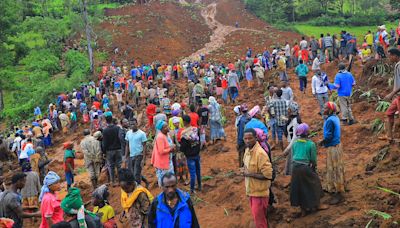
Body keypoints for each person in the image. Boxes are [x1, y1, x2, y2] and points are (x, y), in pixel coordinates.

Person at [290, 123, 327, 216]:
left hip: (295, 168)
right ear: (307, 133)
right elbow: (313, 159)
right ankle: (317, 205)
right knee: (315, 184)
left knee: (299, 188)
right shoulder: (310, 144)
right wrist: (313, 167)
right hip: (305, 167)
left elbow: (293, 155)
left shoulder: (295, 143)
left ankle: (303, 209)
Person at [241, 128, 273, 228]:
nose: (247, 141)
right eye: (245, 138)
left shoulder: (260, 154)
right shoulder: (247, 150)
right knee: (259, 218)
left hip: (260, 194)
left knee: (260, 221)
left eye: (250, 138)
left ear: (255, 138)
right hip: (252, 191)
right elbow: (246, 167)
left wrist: (249, 174)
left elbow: (268, 175)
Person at [319, 102, 345, 205]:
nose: (323, 108)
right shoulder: (335, 117)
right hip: (337, 145)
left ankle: (338, 193)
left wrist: (322, 141)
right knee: (338, 167)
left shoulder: (330, 120)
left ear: (330, 110)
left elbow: (329, 136)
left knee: (334, 169)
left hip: (332, 147)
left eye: (325, 108)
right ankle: (334, 186)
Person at [180, 115, 202, 194]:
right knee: (198, 171)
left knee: (192, 173)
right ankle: (199, 186)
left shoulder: (184, 134)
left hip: (190, 156)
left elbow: (183, 147)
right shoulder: (195, 129)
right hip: (197, 153)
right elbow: (199, 140)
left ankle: (192, 190)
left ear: (184, 122)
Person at [382, 48, 400, 142]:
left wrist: (392, 93)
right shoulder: (397, 65)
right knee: (389, 114)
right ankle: (389, 137)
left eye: (390, 56)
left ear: (395, 56)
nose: (389, 58)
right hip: (397, 96)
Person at [151, 121, 175, 187]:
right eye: (165, 127)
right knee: (165, 181)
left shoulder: (167, 135)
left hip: (168, 161)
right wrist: (171, 149)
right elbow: (161, 151)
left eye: (167, 126)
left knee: (169, 179)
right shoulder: (160, 137)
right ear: (161, 129)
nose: (168, 127)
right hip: (163, 163)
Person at [125, 118, 147, 184]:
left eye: (133, 124)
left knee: (136, 174)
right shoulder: (128, 133)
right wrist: (126, 157)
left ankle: (138, 187)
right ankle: (146, 181)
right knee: (133, 172)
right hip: (131, 156)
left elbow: (144, 146)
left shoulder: (142, 134)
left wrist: (144, 159)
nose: (132, 126)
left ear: (137, 124)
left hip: (139, 155)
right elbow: (127, 145)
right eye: (131, 124)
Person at [102, 115, 122, 186]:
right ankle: (120, 181)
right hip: (118, 149)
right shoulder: (117, 128)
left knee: (111, 166)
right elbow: (120, 138)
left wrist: (104, 152)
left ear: (106, 121)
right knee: (119, 165)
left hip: (109, 151)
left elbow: (104, 143)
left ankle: (113, 181)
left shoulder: (105, 130)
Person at [283, 102, 301, 176]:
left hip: (294, 146)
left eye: (289, 109)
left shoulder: (295, 121)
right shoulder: (292, 119)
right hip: (292, 145)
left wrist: (287, 149)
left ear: (291, 110)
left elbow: (295, 137)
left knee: (294, 166)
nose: (287, 110)